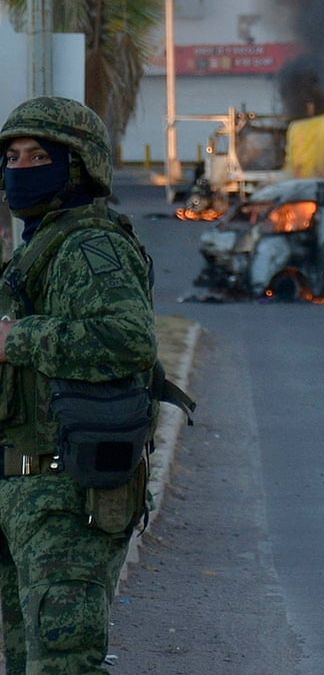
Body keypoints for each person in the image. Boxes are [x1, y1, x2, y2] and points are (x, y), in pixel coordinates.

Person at [0, 97, 157, 673]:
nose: (20, 169)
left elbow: (129, 339)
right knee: (27, 659)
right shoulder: (40, 245)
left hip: (69, 494)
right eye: (12, 157)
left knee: (64, 662)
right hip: (25, 491)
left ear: (78, 167)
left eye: (38, 157)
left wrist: (17, 339)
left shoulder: (91, 246)